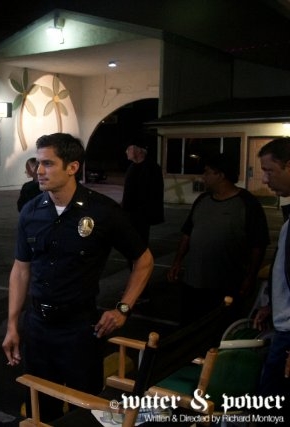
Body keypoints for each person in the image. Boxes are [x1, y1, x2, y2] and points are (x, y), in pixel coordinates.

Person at [1, 133, 154, 423]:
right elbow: (21, 269)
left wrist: (123, 308)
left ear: (72, 167)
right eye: (38, 163)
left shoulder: (104, 212)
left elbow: (144, 260)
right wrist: (12, 325)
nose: (39, 171)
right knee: (40, 407)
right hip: (37, 328)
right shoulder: (31, 211)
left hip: (80, 329)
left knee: (85, 410)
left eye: (48, 164)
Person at [167, 153, 270, 322]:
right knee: (189, 325)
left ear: (221, 175)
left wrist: (250, 277)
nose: (203, 176)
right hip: (193, 282)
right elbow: (188, 233)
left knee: (220, 327)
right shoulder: (202, 200)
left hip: (226, 285)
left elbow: (258, 245)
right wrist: (177, 262)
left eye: (207, 172)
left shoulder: (247, 203)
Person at [254, 137, 290, 420]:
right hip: (282, 327)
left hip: (288, 336)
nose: (265, 180)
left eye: (270, 171)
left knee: (269, 409)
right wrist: (273, 305)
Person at [121, 137, 165, 247]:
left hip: (142, 215)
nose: (126, 151)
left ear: (139, 150)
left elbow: (155, 194)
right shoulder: (132, 167)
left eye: (129, 149)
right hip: (130, 214)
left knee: (140, 241)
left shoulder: (152, 168)